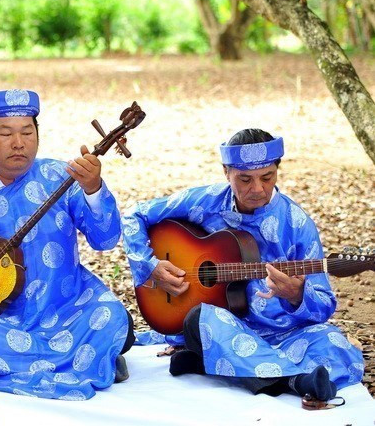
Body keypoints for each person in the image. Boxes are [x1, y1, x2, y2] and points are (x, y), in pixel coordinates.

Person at [0, 89, 133, 401]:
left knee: (112, 316)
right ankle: (85, 360)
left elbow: (106, 239)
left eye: (27, 132)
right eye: (6, 133)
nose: (19, 143)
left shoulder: (62, 176)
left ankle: (24, 365)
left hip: (67, 309)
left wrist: (93, 189)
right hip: (0, 320)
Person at [122, 128, 365, 400]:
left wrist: (297, 295)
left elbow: (322, 305)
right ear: (226, 172)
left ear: (277, 171)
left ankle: (213, 364)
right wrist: (150, 264)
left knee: (334, 343)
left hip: (281, 332)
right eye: (245, 179)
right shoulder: (204, 201)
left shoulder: (296, 223)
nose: (257, 189)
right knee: (201, 317)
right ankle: (295, 381)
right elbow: (135, 214)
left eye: (267, 177)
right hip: (223, 324)